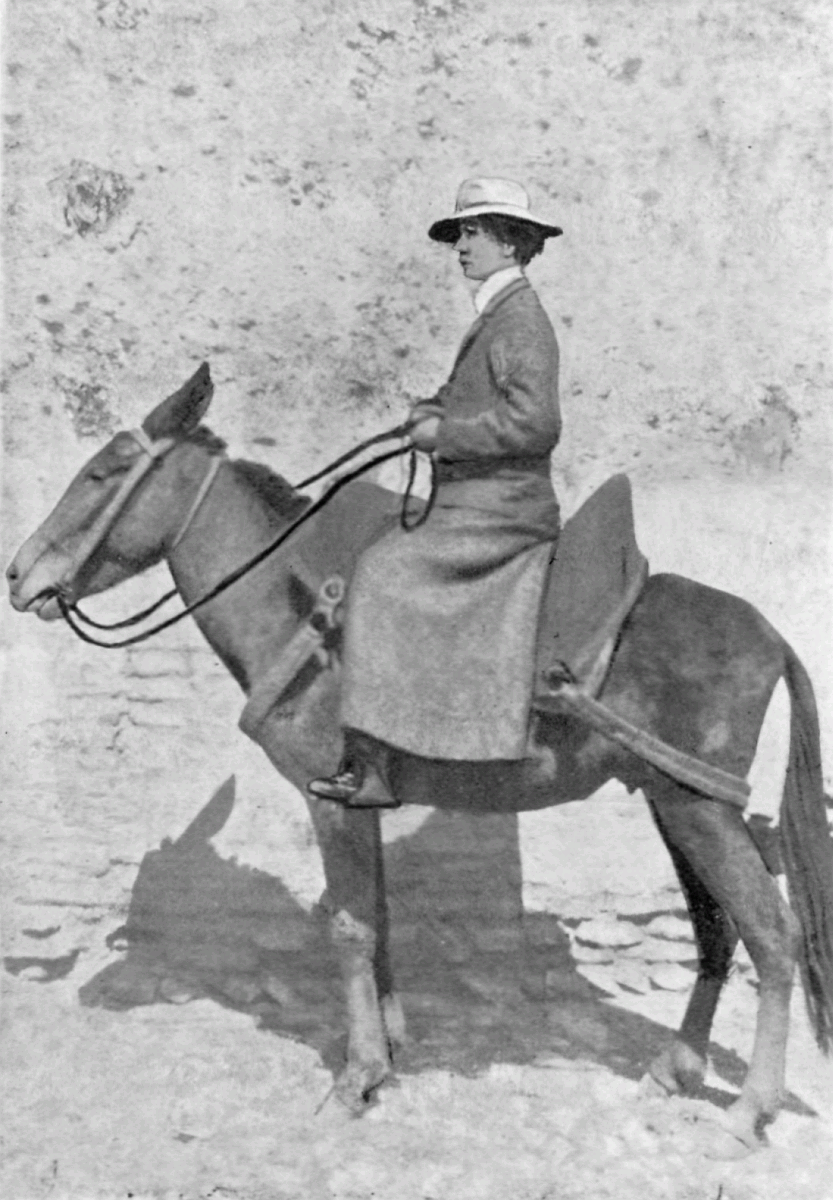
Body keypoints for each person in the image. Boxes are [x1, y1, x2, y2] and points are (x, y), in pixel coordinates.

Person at [308, 177, 563, 808]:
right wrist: (433, 409)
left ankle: (373, 769)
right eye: (460, 234)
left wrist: (444, 433)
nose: (461, 246)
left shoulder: (520, 320)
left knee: (381, 573)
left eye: (473, 233)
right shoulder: (497, 316)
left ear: (511, 242)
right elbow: (477, 399)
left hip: (502, 511)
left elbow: (536, 425)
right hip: (473, 503)